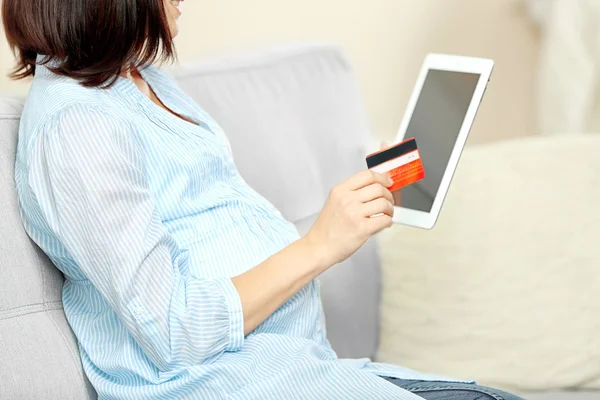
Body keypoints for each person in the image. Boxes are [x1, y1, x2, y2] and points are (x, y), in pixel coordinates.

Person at [3, 0, 522, 399]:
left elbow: (212, 230)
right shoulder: (78, 128)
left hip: (291, 366)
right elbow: (172, 328)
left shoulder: (139, 81)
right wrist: (320, 245)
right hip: (221, 384)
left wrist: (357, 198)